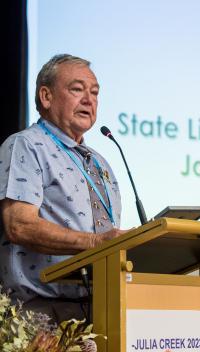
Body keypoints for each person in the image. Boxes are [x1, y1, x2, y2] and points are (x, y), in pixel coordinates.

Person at [0, 54, 126, 322]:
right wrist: (94, 243)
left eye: (94, 93)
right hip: (39, 314)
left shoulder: (100, 161)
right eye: (77, 89)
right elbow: (19, 225)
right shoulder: (26, 145)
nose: (89, 100)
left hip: (100, 309)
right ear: (46, 97)